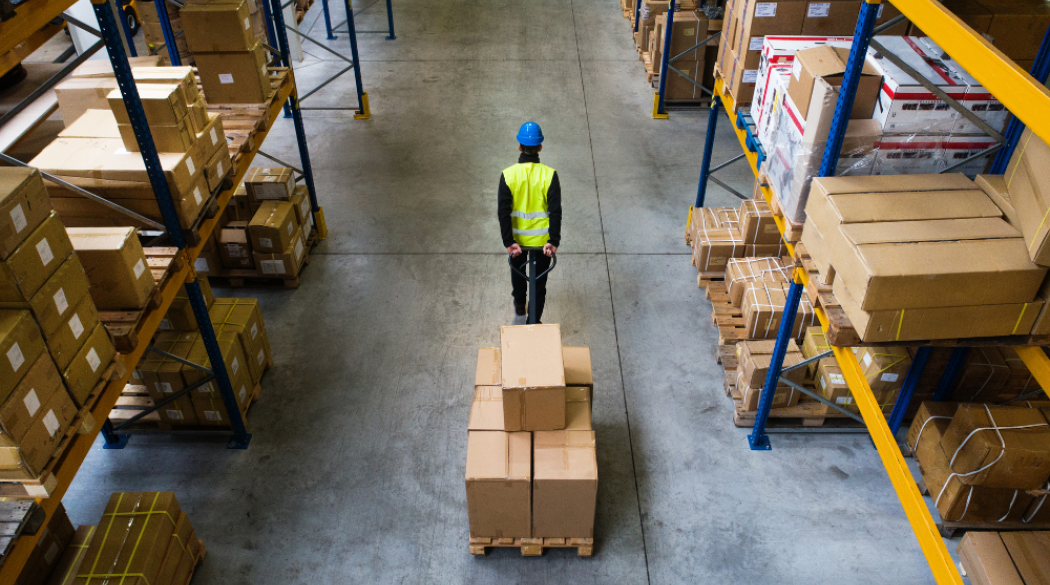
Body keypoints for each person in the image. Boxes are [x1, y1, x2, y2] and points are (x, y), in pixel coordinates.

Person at [497, 121, 562, 322]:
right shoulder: (550, 175)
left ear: (519, 146)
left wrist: (509, 242)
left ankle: (519, 303)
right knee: (539, 285)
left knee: (518, 274)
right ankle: (533, 321)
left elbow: (503, 212)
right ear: (540, 147)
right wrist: (554, 241)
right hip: (543, 244)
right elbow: (555, 211)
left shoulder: (508, 175)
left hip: (517, 241)